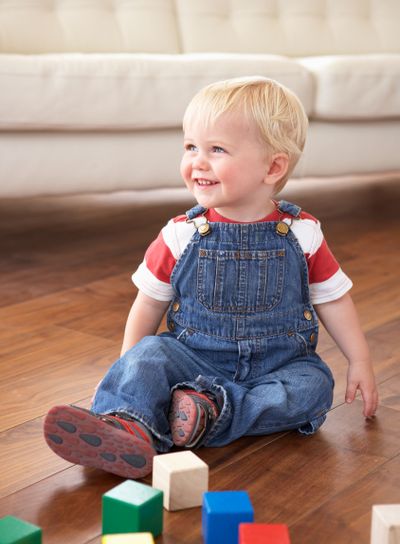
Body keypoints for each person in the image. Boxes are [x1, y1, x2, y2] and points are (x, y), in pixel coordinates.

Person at [44, 76, 378, 479]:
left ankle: (210, 410)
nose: (197, 162)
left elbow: (333, 298)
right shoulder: (180, 233)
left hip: (278, 364)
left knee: (313, 388)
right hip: (193, 356)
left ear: (272, 167)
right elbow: (148, 303)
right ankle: (126, 422)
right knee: (150, 355)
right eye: (190, 147)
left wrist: (359, 360)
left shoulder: (303, 232)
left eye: (216, 150)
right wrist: (130, 369)